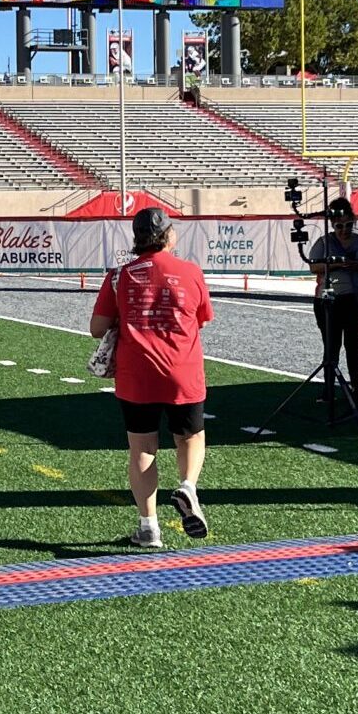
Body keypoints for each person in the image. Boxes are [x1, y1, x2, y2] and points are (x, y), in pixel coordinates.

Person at [89, 206, 214, 548]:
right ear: (168, 236)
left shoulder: (119, 275)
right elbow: (202, 319)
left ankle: (149, 527)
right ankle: (188, 487)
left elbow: (96, 328)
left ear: (137, 237)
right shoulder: (190, 272)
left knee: (142, 449)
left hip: (136, 373)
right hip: (182, 370)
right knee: (190, 438)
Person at [306, 198, 358, 406]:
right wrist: (335, 264)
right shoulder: (324, 242)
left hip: (357, 299)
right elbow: (314, 266)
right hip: (329, 300)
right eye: (339, 226)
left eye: (348, 225)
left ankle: (357, 389)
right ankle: (329, 389)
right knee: (331, 347)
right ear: (333, 225)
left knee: (354, 346)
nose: (344, 230)